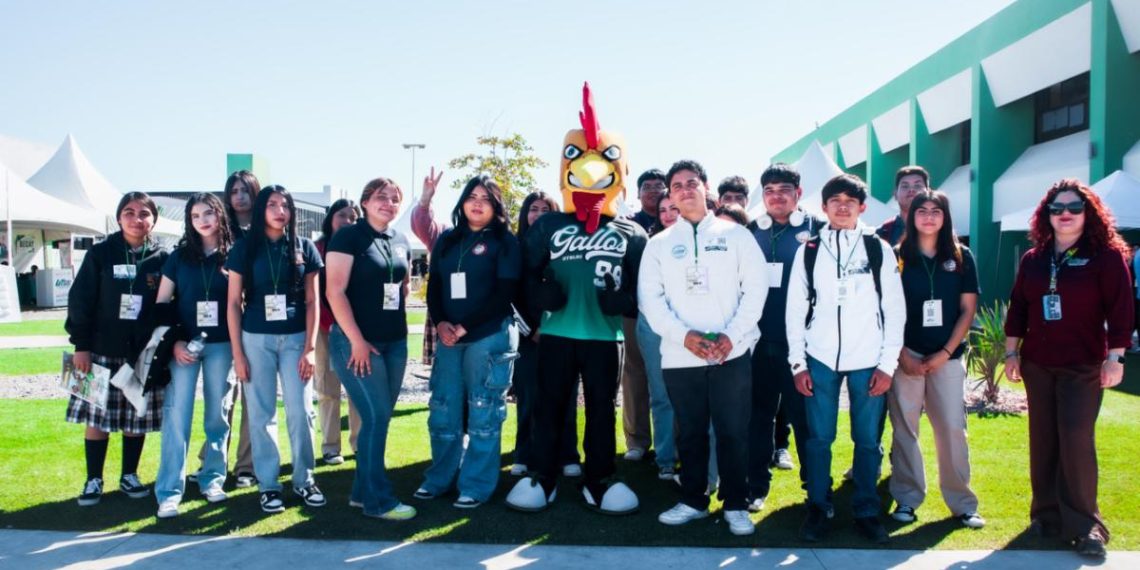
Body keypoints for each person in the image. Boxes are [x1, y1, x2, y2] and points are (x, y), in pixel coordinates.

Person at [506, 83, 646, 514]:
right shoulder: (548, 226)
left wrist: (624, 301)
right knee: (549, 406)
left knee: (602, 410)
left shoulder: (632, 232)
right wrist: (538, 299)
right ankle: (542, 475)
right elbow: (523, 274)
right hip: (557, 333)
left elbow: (644, 288)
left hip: (606, 337)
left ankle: (599, 477)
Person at [1003, 178, 1133, 559]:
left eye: (1074, 207)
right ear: (1046, 214)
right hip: (1038, 364)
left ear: (1088, 213)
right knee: (1043, 439)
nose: (1065, 214)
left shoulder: (1106, 256)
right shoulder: (1034, 259)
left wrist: (1116, 358)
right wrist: (1011, 353)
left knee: (1076, 439)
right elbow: (1018, 307)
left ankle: (1085, 525)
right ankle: (1044, 517)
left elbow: (1122, 310)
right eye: (1056, 208)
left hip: (1083, 365)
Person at [640, 159, 768, 536]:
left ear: (705, 187)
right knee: (691, 432)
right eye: (677, 185)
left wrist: (732, 336)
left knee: (732, 431)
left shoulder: (736, 236)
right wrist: (684, 336)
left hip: (732, 353)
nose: (685, 190)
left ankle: (736, 504)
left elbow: (755, 290)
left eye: (691, 182)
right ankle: (694, 500)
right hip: (680, 356)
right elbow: (651, 300)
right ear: (671, 194)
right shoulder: (659, 245)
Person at [786, 174, 905, 544]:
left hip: (869, 359)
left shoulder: (878, 248)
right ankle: (818, 507)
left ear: (861, 207)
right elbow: (795, 310)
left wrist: (887, 365)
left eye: (849, 201)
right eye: (834, 200)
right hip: (819, 357)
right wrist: (798, 363)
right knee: (819, 439)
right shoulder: (809, 249)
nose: (842, 207)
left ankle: (866, 510)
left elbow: (894, 310)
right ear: (823, 207)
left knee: (867, 440)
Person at [413, 175, 521, 509]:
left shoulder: (505, 241)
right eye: (472, 196)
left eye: (486, 199)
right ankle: (439, 478)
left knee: (483, 409)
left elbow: (505, 294)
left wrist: (463, 326)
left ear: (496, 206)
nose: (477, 203)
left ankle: (476, 485)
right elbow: (435, 287)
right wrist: (442, 322)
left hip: (489, 336)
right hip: (450, 338)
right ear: (462, 202)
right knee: (443, 408)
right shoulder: (448, 239)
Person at [226, 185, 325, 514]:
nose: (280, 211)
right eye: (272, 204)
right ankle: (268, 485)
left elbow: (313, 301)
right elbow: (233, 302)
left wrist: (310, 348)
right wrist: (238, 354)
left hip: (296, 340)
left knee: (301, 411)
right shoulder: (244, 248)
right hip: (256, 340)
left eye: (286, 205)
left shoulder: (304, 247)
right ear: (261, 209)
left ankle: (304, 479)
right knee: (261, 414)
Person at [888, 190, 984, 529]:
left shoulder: (961, 256)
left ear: (945, 217)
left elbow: (967, 310)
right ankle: (907, 498)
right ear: (911, 216)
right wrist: (902, 354)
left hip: (948, 356)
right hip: (906, 355)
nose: (929, 216)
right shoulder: (896, 256)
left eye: (936, 211)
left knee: (953, 429)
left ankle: (963, 504)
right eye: (922, 210)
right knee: (905, 430)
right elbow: (886, 310)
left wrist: (944, 354)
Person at [66, 192, 170, 506]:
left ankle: (129, 475)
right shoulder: (100, 253)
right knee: (95, 418)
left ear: (154, 219)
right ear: (119, 217)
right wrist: (81, 346)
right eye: (129, 212)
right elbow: (80, 301)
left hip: (142, 354)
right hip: (98, 350)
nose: (137, 219)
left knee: (135, 417)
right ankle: (93, 479)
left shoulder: (162, 258)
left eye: (144, 213)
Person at [325, 178, 417, 521]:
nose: (389, 203)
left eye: (395, 199)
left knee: (379, 419)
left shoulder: (400, 239)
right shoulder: (348, 237)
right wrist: (357, 341)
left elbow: (401, 286)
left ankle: (362, 494)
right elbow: (334, 292)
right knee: (376, 417)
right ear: (365, 202)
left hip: (395, 342)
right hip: (357, 344)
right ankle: (379, 502)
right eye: (381, 197)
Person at [745, 163, 822, 513]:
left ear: (798, 193)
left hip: (800, 345)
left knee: (805, 421)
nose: (776, 197)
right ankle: (756, 487)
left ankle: (815, 490)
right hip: (759, 343)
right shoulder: (752, 231)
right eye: (769, 191)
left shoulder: (818, 230)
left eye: (784, 190)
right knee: (758, 419)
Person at [153, 193, 236, 518]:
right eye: (195, 215)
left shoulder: (234, 254)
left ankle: (212, 479)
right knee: (177, 417)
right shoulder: (177, 258)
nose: (203, 220)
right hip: (184, 347)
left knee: (218, 415)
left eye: (208, 213)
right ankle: (169, 491)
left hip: (222, 344)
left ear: (220, 216)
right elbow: (161, 304)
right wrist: (174, 344)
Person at [190, 170, 261, 489]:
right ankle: (211, 460)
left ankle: (247, 465)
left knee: (253, 396)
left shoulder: (263, 231)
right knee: (222, 398)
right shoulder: (219, 230)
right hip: (221, 324)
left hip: (256, 322)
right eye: (233, 191)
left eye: (245, 190)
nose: (240, 196)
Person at [510, 190, 582, 478]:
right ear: (525, 214)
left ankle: (568, 455)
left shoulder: (568, 249)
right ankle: (524, 454)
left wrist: (555, 325)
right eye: (534, 209)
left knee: (566, 395)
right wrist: (531, 330)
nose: (539, 215)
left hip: (563, 334)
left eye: (546, 210)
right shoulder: (515, 248)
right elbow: (508, 296)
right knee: (528, 397)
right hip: (528, 338)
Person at [620, 169, 668, 462]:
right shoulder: (628, 225)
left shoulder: (676, 219)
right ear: (638, 194)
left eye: (658, 186)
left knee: (670, 378)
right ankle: (637, 441)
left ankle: (672, 440)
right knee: (635, 375)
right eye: (646, 186)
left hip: (673, 314)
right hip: (634, 312)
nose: (652, 190)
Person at [314, 199, 362, 466]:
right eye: (342, 215)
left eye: (353, 217)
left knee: (358, 389)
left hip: (356, 330)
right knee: (327, 388)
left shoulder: (362, 247)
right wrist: (331, 322)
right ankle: (331, 447)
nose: (347, 221)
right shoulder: (317, 249)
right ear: (330, 218)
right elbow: (315, 292)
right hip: (324, 328)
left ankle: (360, 444)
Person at [876, 165, 928, 246]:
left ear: (929, 193)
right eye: (905, 186)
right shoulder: (881, 234)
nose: (911, 190)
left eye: (917, 186)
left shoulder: (941, 231)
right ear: (895, 194)